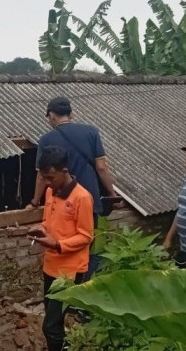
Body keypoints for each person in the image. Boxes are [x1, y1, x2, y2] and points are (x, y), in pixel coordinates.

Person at [27, 96, 119, 278]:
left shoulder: (46, 139)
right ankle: (84, 285)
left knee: (61, 241)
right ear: (71, 114)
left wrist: (35, 202)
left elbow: (41, 176)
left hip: (61, 198)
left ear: (52, 116)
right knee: (86, 241)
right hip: (89, 198)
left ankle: (63, 283)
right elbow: (101, 167)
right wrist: (112, 193)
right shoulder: (91, 132)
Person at [28, 146, 94, 351]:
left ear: (64, 171)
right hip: (51, 266)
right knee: (52, 319)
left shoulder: (81, 197)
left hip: (69, 270)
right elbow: (49, 221)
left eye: (51, 177)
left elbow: (86, 236)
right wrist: (41, 228)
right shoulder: (50, 192)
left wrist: (57, 245)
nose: (47, 182)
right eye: (43, 177)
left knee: (51, 326)